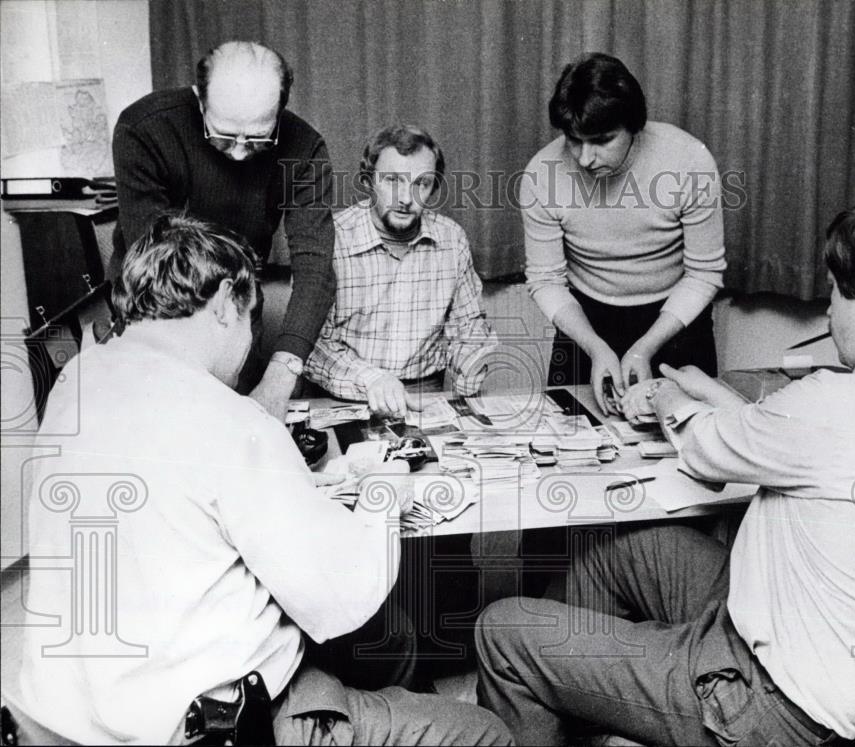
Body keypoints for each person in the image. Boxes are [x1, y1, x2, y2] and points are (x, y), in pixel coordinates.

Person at [476, 196, 855, 744]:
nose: (827, 312)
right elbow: (801, 443)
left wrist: (670, 396)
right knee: (615, 550)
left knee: (503, 631)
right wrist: (714, 393)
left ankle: (591, 690)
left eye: (836, 292)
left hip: (767, 707)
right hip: (850, 680)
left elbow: (707, 449)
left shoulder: (832, 404)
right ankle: (593, 702)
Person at [18, 214, 512, 746]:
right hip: (199, 726)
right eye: (253, 319)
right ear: (228, 300)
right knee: (482, 732)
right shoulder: (230, 418)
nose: (252, 342)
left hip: (66, 715)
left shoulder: (78, 379)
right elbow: (339, 594)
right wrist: (378, 495)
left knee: (389, 639)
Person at [112, 40, 336, 420]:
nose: (238, 153)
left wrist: (280, 379)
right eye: (224, 136)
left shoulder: (305, 147)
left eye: (258, 138)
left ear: (280, 109)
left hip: (238, 309)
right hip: (156, 305)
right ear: (200, 100)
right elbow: (156, 259)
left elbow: (316, 270)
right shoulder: (144, 128)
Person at [520, 52, 726, 414]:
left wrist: (646, 346)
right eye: (573, 140)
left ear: (633, 126)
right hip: (585, 321)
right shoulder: (540, 174)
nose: (585, 158)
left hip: (676, 321)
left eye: (601, 140)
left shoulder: (690, 161)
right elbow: (545, 280)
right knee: (574, 441)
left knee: (688, 445)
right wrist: (595, 347)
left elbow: (704, 274)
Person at [305, 124, 498, 418]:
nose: (406, 198)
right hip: (344, 399)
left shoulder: (452, 239)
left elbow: (469, 329)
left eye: (421, 183)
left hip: (426, 397)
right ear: (369, 181)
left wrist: (467, 376)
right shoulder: (330, 239)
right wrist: (375, 381)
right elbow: (314, 346)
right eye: (393, 180)